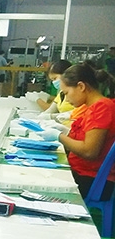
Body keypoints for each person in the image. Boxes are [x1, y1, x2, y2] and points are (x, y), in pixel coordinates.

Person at [37, 63, 115, 198]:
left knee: (38, 180)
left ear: (81, 86)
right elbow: (85, 138)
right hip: (82, 172)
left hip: (92, 180)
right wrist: (67, 132)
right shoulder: (91, 107)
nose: (66, 99)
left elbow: (89, 151)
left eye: (66, 93)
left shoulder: (102, 108)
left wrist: (59, 136)